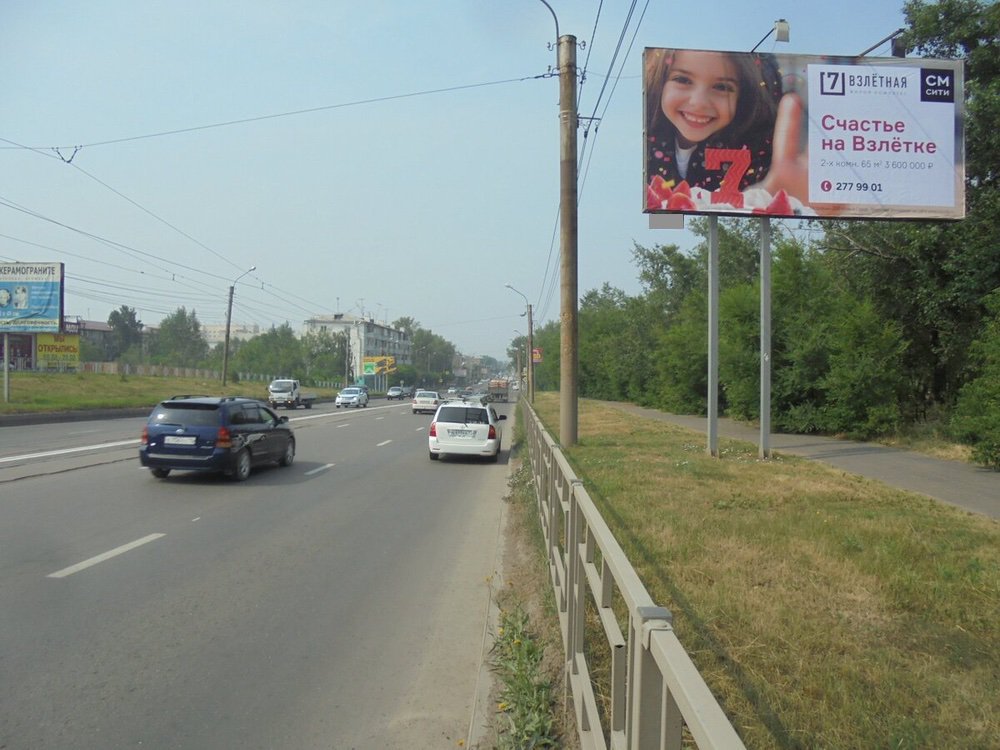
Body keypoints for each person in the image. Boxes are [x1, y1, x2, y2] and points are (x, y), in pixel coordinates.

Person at [645, 48, 784, 195]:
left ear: (744, 97)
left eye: (721, 87)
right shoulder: (641, 145)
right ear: (659, 82)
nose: (699, 102)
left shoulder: (760, 160)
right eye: (683, 80)